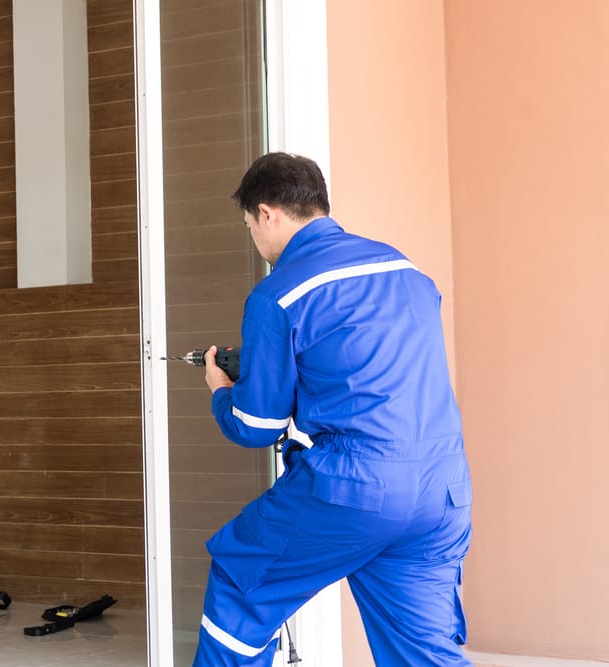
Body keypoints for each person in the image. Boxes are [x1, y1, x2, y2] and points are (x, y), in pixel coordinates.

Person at [192, 152, 472, 666]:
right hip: (443, 489)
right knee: (422, 650)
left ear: (266, 213)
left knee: (240, 579)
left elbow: (257, 427)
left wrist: (221, 391)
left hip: (356, 489)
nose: (255, 238)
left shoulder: (278, 294)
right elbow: (372, 372)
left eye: (249, 225)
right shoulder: (405, 270)